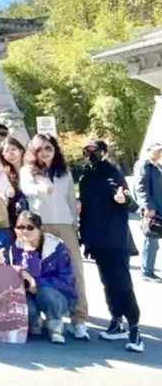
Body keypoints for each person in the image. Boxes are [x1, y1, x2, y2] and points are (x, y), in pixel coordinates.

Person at [20, 134, 89, 340]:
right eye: (39, 149)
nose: (44, 152)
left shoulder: (64, 171)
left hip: (65, 225)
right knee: (37, 270)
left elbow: (71, 200)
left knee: (76, 270)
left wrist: (75, 226)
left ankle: (79, 319)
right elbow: (27, 189)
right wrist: (41, 188)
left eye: (48, 148)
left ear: (55, 149)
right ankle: (43, 317)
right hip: (40, 226)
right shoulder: (28, 171)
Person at [79, 140, 144, 352]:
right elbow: (85, 207)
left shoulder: (113, 171)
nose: (91, 154)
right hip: (96, 239)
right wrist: (85, 237)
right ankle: (116, 320)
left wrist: (122, 198)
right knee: (108, 282)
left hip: (115, 237)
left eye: (95, 151)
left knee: (122, 282)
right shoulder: (86, 176)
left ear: (104, 151)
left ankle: (134, 325)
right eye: (87, 151)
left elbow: (128, 198)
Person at [5, 211, 76, 344]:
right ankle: (35, 321)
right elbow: (15, 274)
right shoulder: (16, 247)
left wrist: (37, 283)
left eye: (29, 227)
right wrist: (28, 254)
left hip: (58, 294)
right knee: (27, 309)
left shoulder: (56, 248)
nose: (24, 231)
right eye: (20, 227)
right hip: (30, 293)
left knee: (45, 291)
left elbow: (66, 280)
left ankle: (56, 326)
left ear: (40, 229)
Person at [133, 142, 162, 281]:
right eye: (155, 150)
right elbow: (140, 187)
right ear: (148, 151)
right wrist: (147, 206)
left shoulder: (158, 167)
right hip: (152, 209)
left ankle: (148, 270)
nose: (158, 153)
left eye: (160, 151)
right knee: (151, 239)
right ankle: (146, 272)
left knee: (153, 241)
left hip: (159, 207)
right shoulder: (144, 165)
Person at [0, 137, 28, 224]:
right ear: (3, 155)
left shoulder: (32, 169)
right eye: (6, 151)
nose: (10, 154)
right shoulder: (4, 174)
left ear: (21, 151)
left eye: (13, 150)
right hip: (15, 218)